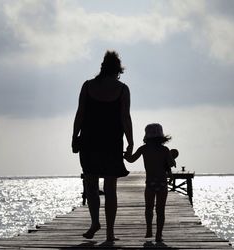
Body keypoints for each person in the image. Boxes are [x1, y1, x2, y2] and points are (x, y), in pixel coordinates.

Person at [72, 51, 133, 241]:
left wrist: (74, 136)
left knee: (91, 184)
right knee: (110, 188)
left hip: (90, 139)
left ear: (102, 67)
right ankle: (109, 231)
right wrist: (130, 141)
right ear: (118, 70)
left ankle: (95, 223)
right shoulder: (122, 89)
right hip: (111, 141)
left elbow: (80, 114)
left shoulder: (88, 86)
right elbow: (125, 117)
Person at [124, 123, 176, 242]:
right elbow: (169, 165)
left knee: (149, 208)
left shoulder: (144, 148)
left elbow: (131, 160)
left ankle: (149, 230)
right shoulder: (164, 150)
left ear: (146, 135)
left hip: (150, 183)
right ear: (161, 136)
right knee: (160, 210)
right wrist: (171, 171)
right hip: (162, 183)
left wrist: (125, 155)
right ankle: (158, 234)